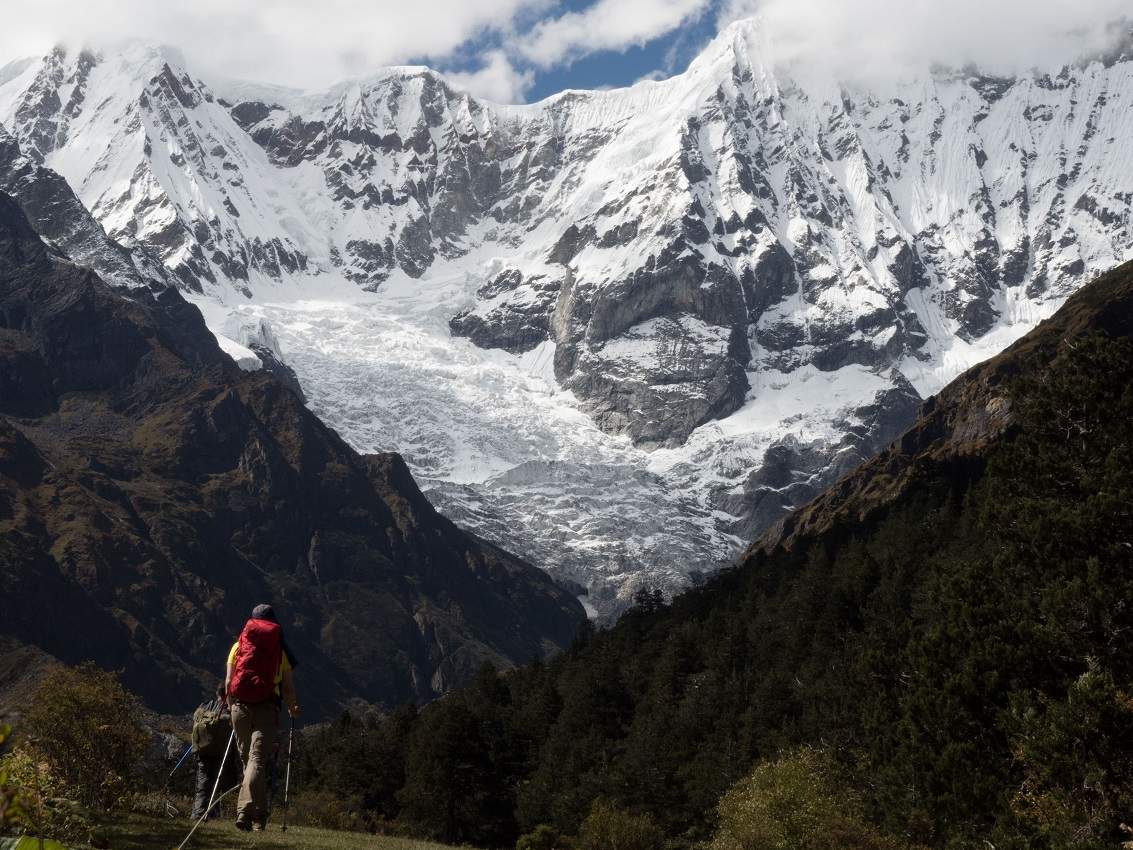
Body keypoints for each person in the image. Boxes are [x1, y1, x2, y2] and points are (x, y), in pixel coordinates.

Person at [225, 603, 299, 831]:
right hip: (266, 707)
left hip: (239, 707)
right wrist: (292, 707)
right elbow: (287, 687)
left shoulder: (238, 646)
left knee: (249, 762)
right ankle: (250, 813)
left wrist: (230, 708)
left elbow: (228, 682)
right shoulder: (279, 650)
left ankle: (254, 818)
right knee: (257, 761)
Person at [189, 684, 241, 820]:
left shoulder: (205, 706)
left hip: (203, 751)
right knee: (224, 786)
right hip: (222, 754)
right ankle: (221, 816)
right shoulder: (229, 710)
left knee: (203, 785)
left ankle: (198, 814)